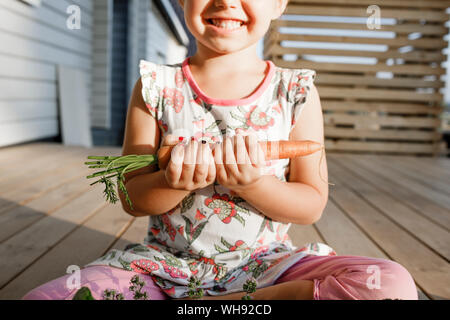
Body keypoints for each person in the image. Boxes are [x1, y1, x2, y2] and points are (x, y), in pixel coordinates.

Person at [22, 0, 418, 300]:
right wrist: (173, 182)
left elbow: (311, 203)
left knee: (391, 285)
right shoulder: (155, 87)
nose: (226, 1)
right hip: (162, 269)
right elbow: (130, 195)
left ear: (280, 2)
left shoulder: (296, 92)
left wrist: (254, 185)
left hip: (270, 269)